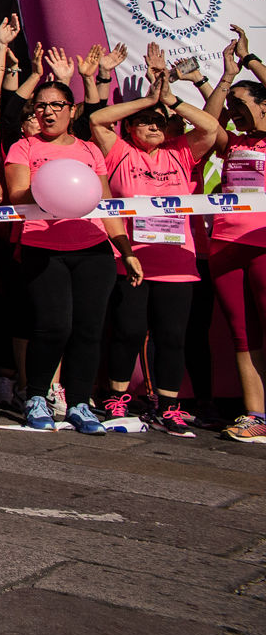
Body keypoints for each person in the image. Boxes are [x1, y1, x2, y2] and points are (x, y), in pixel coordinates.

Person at [89, 44, 220, 436]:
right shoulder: (121, 153)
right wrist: (146, 99)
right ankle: (116, 398)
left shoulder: (180, 152)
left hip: (179, 264)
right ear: (130, 128)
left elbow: (211, 129)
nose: (153, 126)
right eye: (145, 121)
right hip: (133, 260)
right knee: (128, 331)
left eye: (158, 122)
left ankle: (169, 405)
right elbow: (97, 119)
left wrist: (169, 98)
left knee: (171, 337)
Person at [3, 78, 133, 433]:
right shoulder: (23, 147)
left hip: (93, 248)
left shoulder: (91, 151)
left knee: (89, 329)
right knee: (53, 326)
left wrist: (125, 249)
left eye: (55, 105)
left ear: (71, 111)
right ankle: (36, 396)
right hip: (43, 247)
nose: (46, 112)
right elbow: (16, 194)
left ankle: (78, 403)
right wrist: (50, 186)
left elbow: (105, 204)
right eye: (40, 106)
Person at [209, 28, 266, 442]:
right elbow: (208, 124)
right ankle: (255, 416)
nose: (236, 112)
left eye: (243, 106)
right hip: (226, 244)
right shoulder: (232, 143)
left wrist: (249, 61)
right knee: (243, 333)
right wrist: (224, 81)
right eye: (233, 107)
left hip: (264, 242)